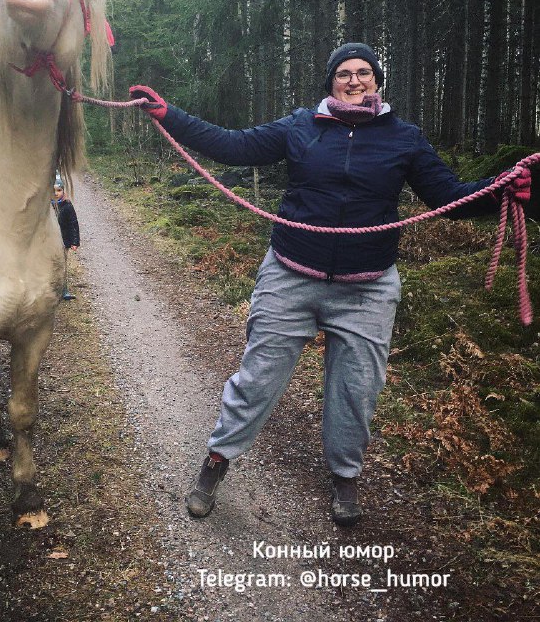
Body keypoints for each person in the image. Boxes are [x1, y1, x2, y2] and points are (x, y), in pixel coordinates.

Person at [130, 42, 531, 527]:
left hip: (368, 288)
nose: (355, 80)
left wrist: (505, 187)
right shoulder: (300, 126)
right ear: (331, 83)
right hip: (290, 274)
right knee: (257, 381)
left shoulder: (404, 139)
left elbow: (449, 197)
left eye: (364, 72)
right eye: (345, 73)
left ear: (378, 82)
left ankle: (345, 478)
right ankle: (215, 464)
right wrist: (169, 114)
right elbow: (232, 144)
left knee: (356, 391)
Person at [52, 177, 80, 301]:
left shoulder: (67, 206)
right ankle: (51, 288)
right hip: (49, 241)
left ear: (63, 191)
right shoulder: (47, 206)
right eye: (53, 191)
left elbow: (73, 224)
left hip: (63, 241)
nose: (56, 193)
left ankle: (64, 290)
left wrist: (75, 241)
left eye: (59, 190)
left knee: (62, 264)